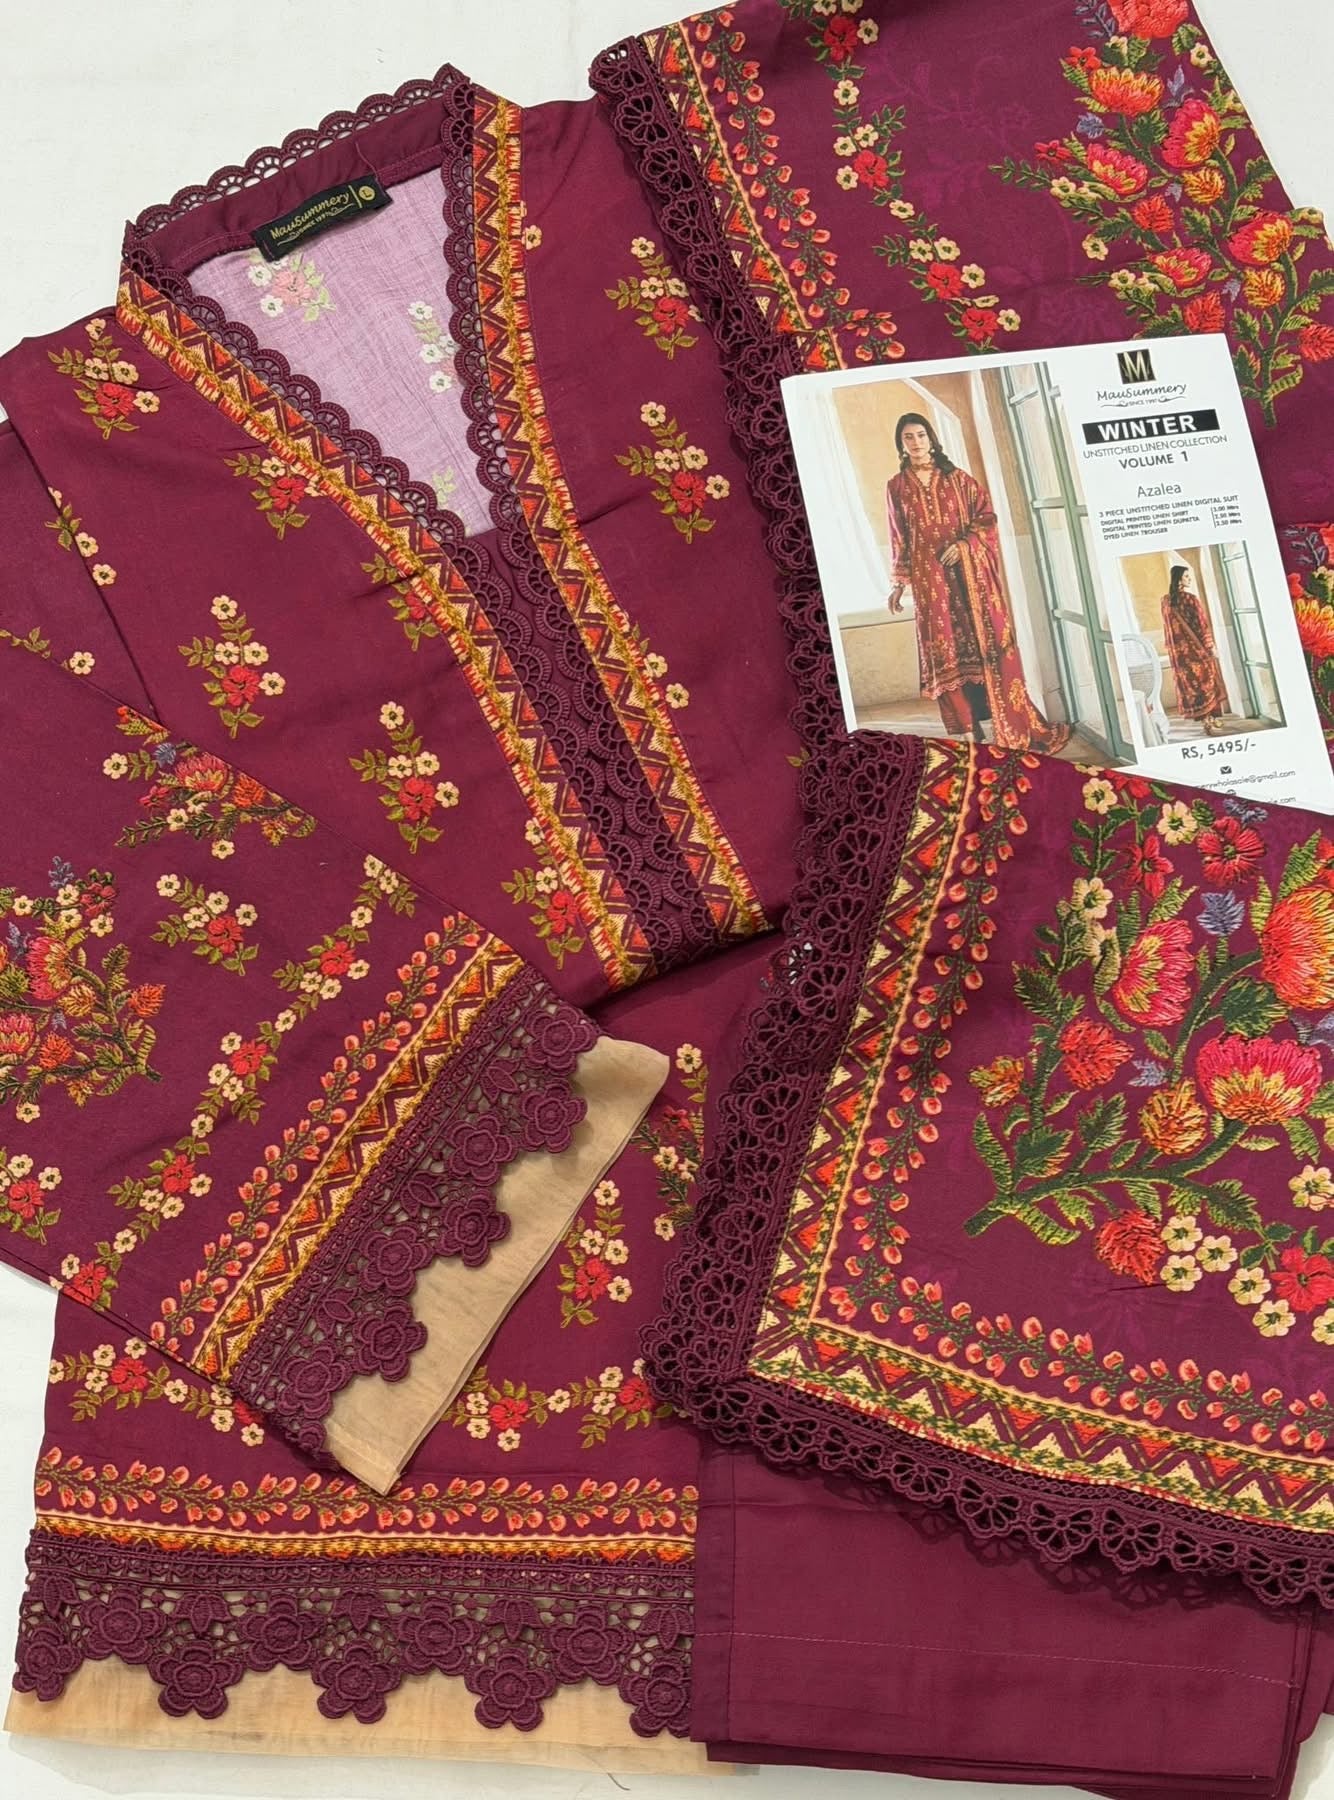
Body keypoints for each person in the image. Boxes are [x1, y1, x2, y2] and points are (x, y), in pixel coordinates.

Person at [886, 412, 1070, 751]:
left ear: (931, 439)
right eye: (908, 437)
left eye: (921, 435)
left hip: (970, 579)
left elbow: (987, 517)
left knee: (988, 647)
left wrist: (964, 545)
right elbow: (899, 537)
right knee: (946, 653)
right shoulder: (896, 487)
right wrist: (899, 583)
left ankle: (1009, 725)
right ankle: (970, 733)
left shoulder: (958, 479)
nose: (916, 442)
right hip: (930, 582)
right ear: (901, 443)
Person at [1161, 561, 1229, 729]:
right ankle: (1210, 719)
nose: (1189, 579)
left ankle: (1207, 720)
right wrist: (1210, 646)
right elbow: (1201, 625)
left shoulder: (1165, 601)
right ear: (1179, 579)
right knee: (1207, 681)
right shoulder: (1191, 599)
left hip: (1179, 655)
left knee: (1192, 685)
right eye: (1186, 576)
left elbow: (1167, 629)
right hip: (1197, 649)